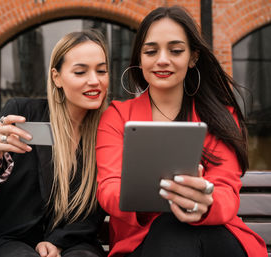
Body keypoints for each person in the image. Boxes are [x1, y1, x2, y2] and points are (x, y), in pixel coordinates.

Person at [95, 6, 267, 257]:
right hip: (143, 243)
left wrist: (204, 205)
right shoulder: (117, 116)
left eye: (176, 50)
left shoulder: (220, 117)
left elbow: (226, 188)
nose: (162, 59)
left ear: (193, 57)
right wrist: (151, 199)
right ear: (139, 59)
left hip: (212, 235)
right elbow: (108, 187)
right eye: (151, 51)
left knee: (180, 227)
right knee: (170, 226)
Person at [0, 30, 109, 257]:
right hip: (12, 240)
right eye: (80, 72)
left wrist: (57, 242)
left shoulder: (106, 130)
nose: (94, 80)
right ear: (56, 77)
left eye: (102, 70)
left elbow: (96, 209)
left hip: (76, 242)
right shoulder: (23, 113)